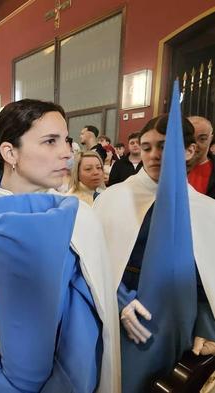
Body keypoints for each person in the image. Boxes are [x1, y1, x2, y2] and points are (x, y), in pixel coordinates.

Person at [0, 99, 120, 393]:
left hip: (74, 372)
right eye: (50, 141)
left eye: (66, 140)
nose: (67, 152)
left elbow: (92, 301)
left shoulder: (79, 214)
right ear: (10, 152)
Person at [94, 113, 215, 392]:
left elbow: (208, 280)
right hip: (126, 317)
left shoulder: (207, 209)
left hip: (181, 321)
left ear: (189, 150)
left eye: (163, 146)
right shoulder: (112, 199)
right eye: (146, 147)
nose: (154, 155)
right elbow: (94, 262)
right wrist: (120, 301)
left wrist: (207, 328)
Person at [187, 116, 214, 198]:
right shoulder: (166, 168)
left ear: (210, 139)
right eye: (190, 138)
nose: (194, 145)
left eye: (202, 139)